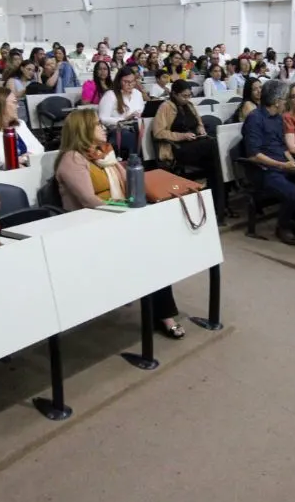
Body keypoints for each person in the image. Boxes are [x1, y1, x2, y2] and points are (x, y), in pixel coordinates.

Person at [54, 110, 186, 337]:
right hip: (91, 227)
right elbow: (90, 201)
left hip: (116, 219)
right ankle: (164, 315)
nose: (103, 127)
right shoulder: (72, 159)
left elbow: (131, 185)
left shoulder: (105, 154)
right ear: (83, 130)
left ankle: (161, 311)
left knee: (158, 245)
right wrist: (128, 214)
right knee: (152, 254)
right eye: (97, 124)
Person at [242, 79, 295, 246]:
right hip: (263, 170)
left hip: (283, 166)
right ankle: (282, 227)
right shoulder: (255, 119)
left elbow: (283, 147)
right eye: (285, 99)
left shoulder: (277, 118)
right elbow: (254, 155)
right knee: (293, 193)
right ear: (276, 102)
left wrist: (294, 164)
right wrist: (283, 165)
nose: (287, 102)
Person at [152, 79, 225, 214]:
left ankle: (218, 205)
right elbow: (158, 132)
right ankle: (220, 205)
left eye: (189, 95)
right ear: (174, 94)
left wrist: (200, 129)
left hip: (194, 145)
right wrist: (182, 136)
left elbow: (199, 123)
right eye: (184, 96)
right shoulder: (166, 107)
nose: (187, 99)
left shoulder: (189, 106)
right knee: (213, 148)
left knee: (214, 164)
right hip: (178, 148)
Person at [98, 66, 144, 157]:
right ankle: (134, 161)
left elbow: (142, 111)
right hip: (118, 130)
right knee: (130, 135)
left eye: (132, 81)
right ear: (119, 81)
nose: (130, 84)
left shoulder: (137, 94)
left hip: (137, 126)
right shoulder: (111, 95)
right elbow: (102, 118)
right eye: (126, 81)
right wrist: (124, 119)